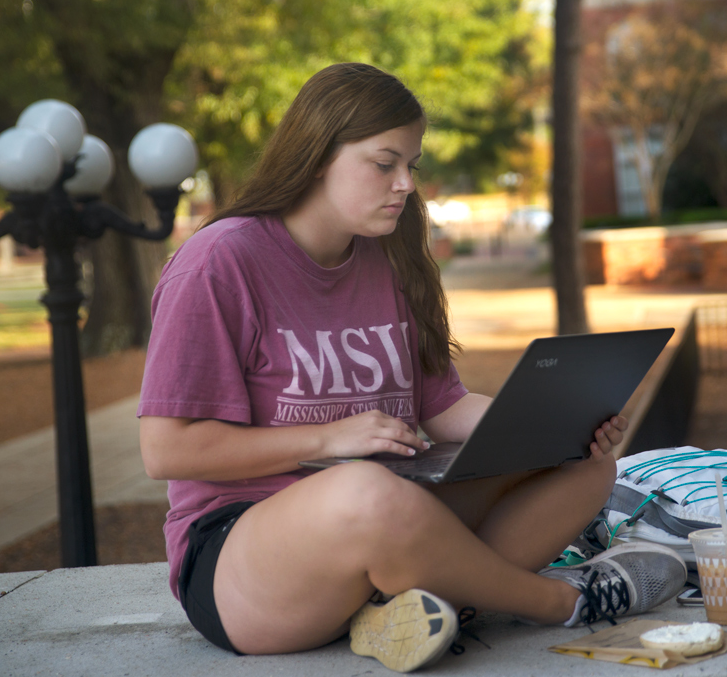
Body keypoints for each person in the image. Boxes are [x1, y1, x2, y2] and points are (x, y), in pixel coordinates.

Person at [137, 63, 687, 672]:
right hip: (244, 558)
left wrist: (554, 427)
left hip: (395, 506)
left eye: (412, 165)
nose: (405, 184)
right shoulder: (219, 263)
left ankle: (399, 610)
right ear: (318, 153)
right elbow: (167, 451)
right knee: (362, 490)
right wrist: (327, 439)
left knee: (587, 470)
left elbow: (440, 407)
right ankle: (563, 601)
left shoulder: (389, 255)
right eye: (384, 163)